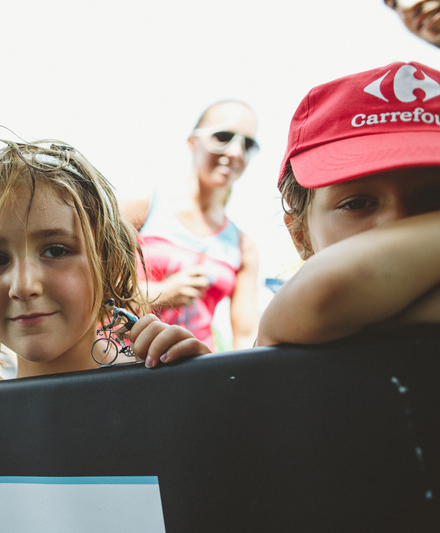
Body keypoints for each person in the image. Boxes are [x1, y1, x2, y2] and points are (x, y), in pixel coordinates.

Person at [0, 138, 211, 379]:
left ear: (108, 263)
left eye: (55, 251)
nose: (24, 285)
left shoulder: (159, 384)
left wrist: (204, 385)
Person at [258, 61, 440, 346]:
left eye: (434, 197)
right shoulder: (286, 330)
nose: (399, 223)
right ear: (300, 235)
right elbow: (319, 293)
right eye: (356, 204)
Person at [121, 101, 260, 351]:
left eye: (248, 144)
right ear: (192, 142)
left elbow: (246, 338)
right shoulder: (143, 207)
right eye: (223, 137)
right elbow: (93, 289)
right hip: (125, 360)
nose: (236, 152)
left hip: (194, 367)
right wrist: (163, 293)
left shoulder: (242, 246)